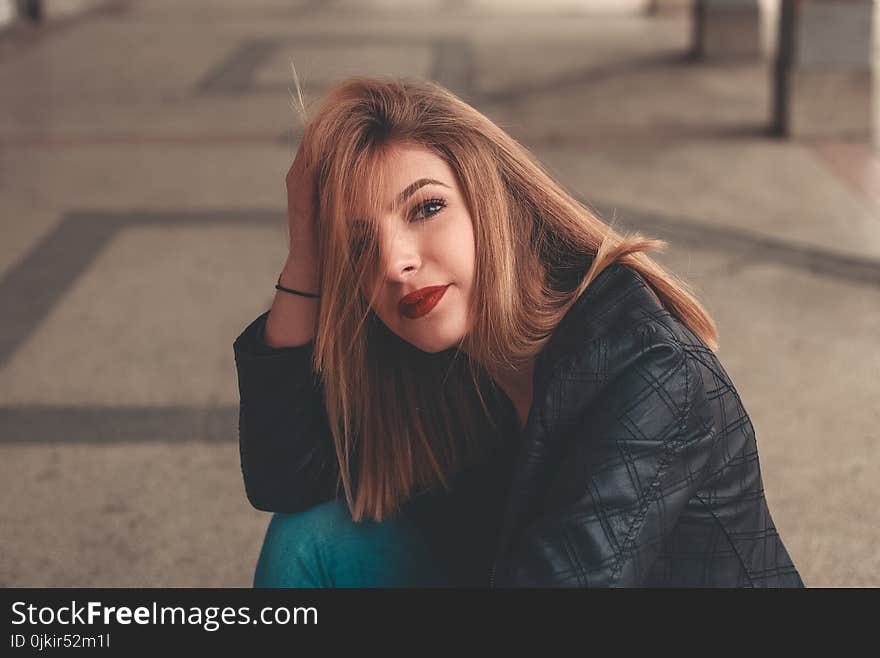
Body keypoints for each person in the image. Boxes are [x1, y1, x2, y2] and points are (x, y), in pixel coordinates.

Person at [232, 76, 805, 588]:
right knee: (312, 536)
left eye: (425, 209)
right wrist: (306, 252)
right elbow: (286, 479)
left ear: (493, 202)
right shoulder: (437, 348)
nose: (393, 262)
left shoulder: (651, 369)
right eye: (358, 244)